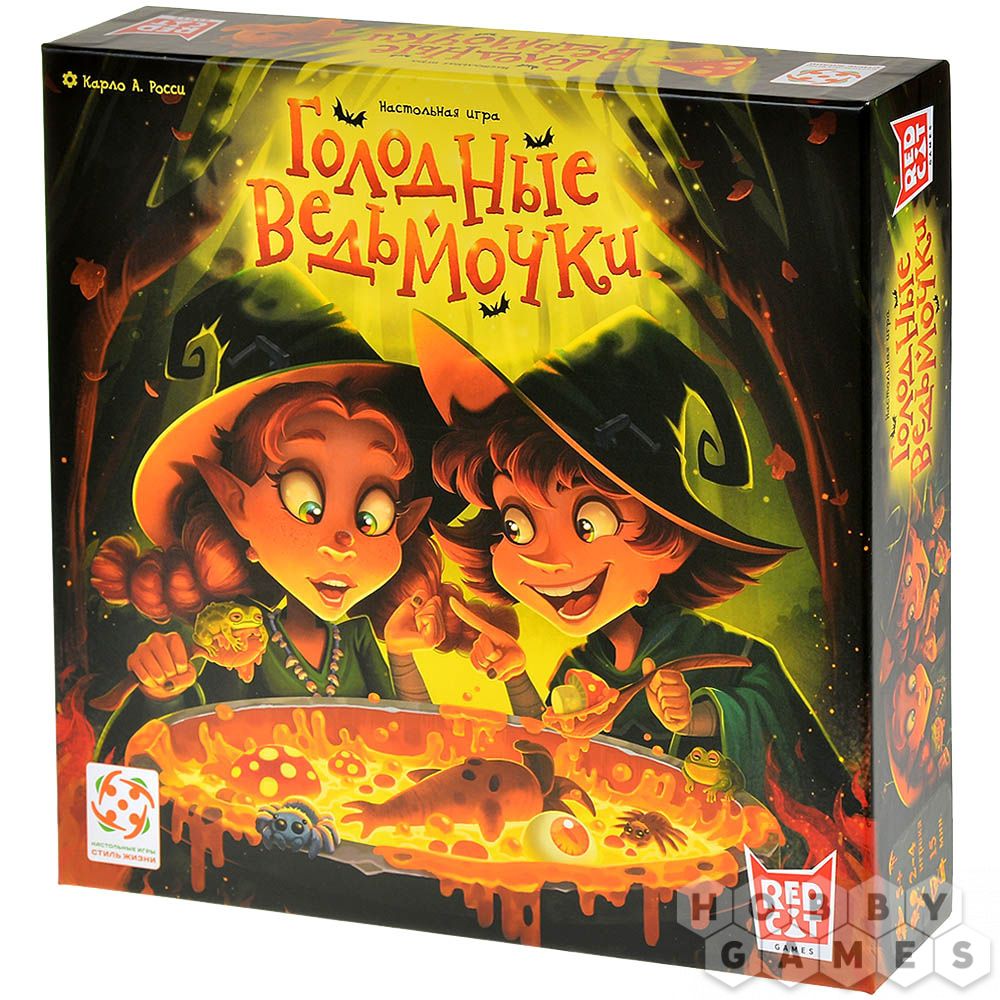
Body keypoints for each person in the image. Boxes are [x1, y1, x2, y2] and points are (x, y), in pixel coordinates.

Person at [414, 306, 846, 808]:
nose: (549, 560)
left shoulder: (715, 648)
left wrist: (699, 716)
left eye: (589, 523)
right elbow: (549, 760)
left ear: (673, 540)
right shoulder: (579, 667)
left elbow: (774, 714)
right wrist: (516, 677)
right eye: (517, 525)